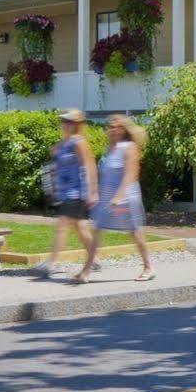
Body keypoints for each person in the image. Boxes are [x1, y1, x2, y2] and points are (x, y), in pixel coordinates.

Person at [77, 114, 154, 283]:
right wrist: (94, 193)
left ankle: (148, 267)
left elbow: (131, 174)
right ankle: (86, 270)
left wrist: (119, 196)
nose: (112, 130)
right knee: (97, 229)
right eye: (109, 127)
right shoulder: (109, 149)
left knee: (134, 231)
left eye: (116, 127)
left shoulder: (129, 147)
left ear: (123, 129)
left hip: (126, 198)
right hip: (106, 198)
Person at [42, 109, 95, 275]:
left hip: (76, 192)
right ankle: (95, 258)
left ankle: (50, 264)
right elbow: (56, 168)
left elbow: (89, 166)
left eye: (69, 121)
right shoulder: (63, 144)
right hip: (65, 193)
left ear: (77, 125)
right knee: (80, 228)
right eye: (63, 121)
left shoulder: (78, 142)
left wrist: (91, 192)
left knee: (62, 225)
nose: (65, 124)